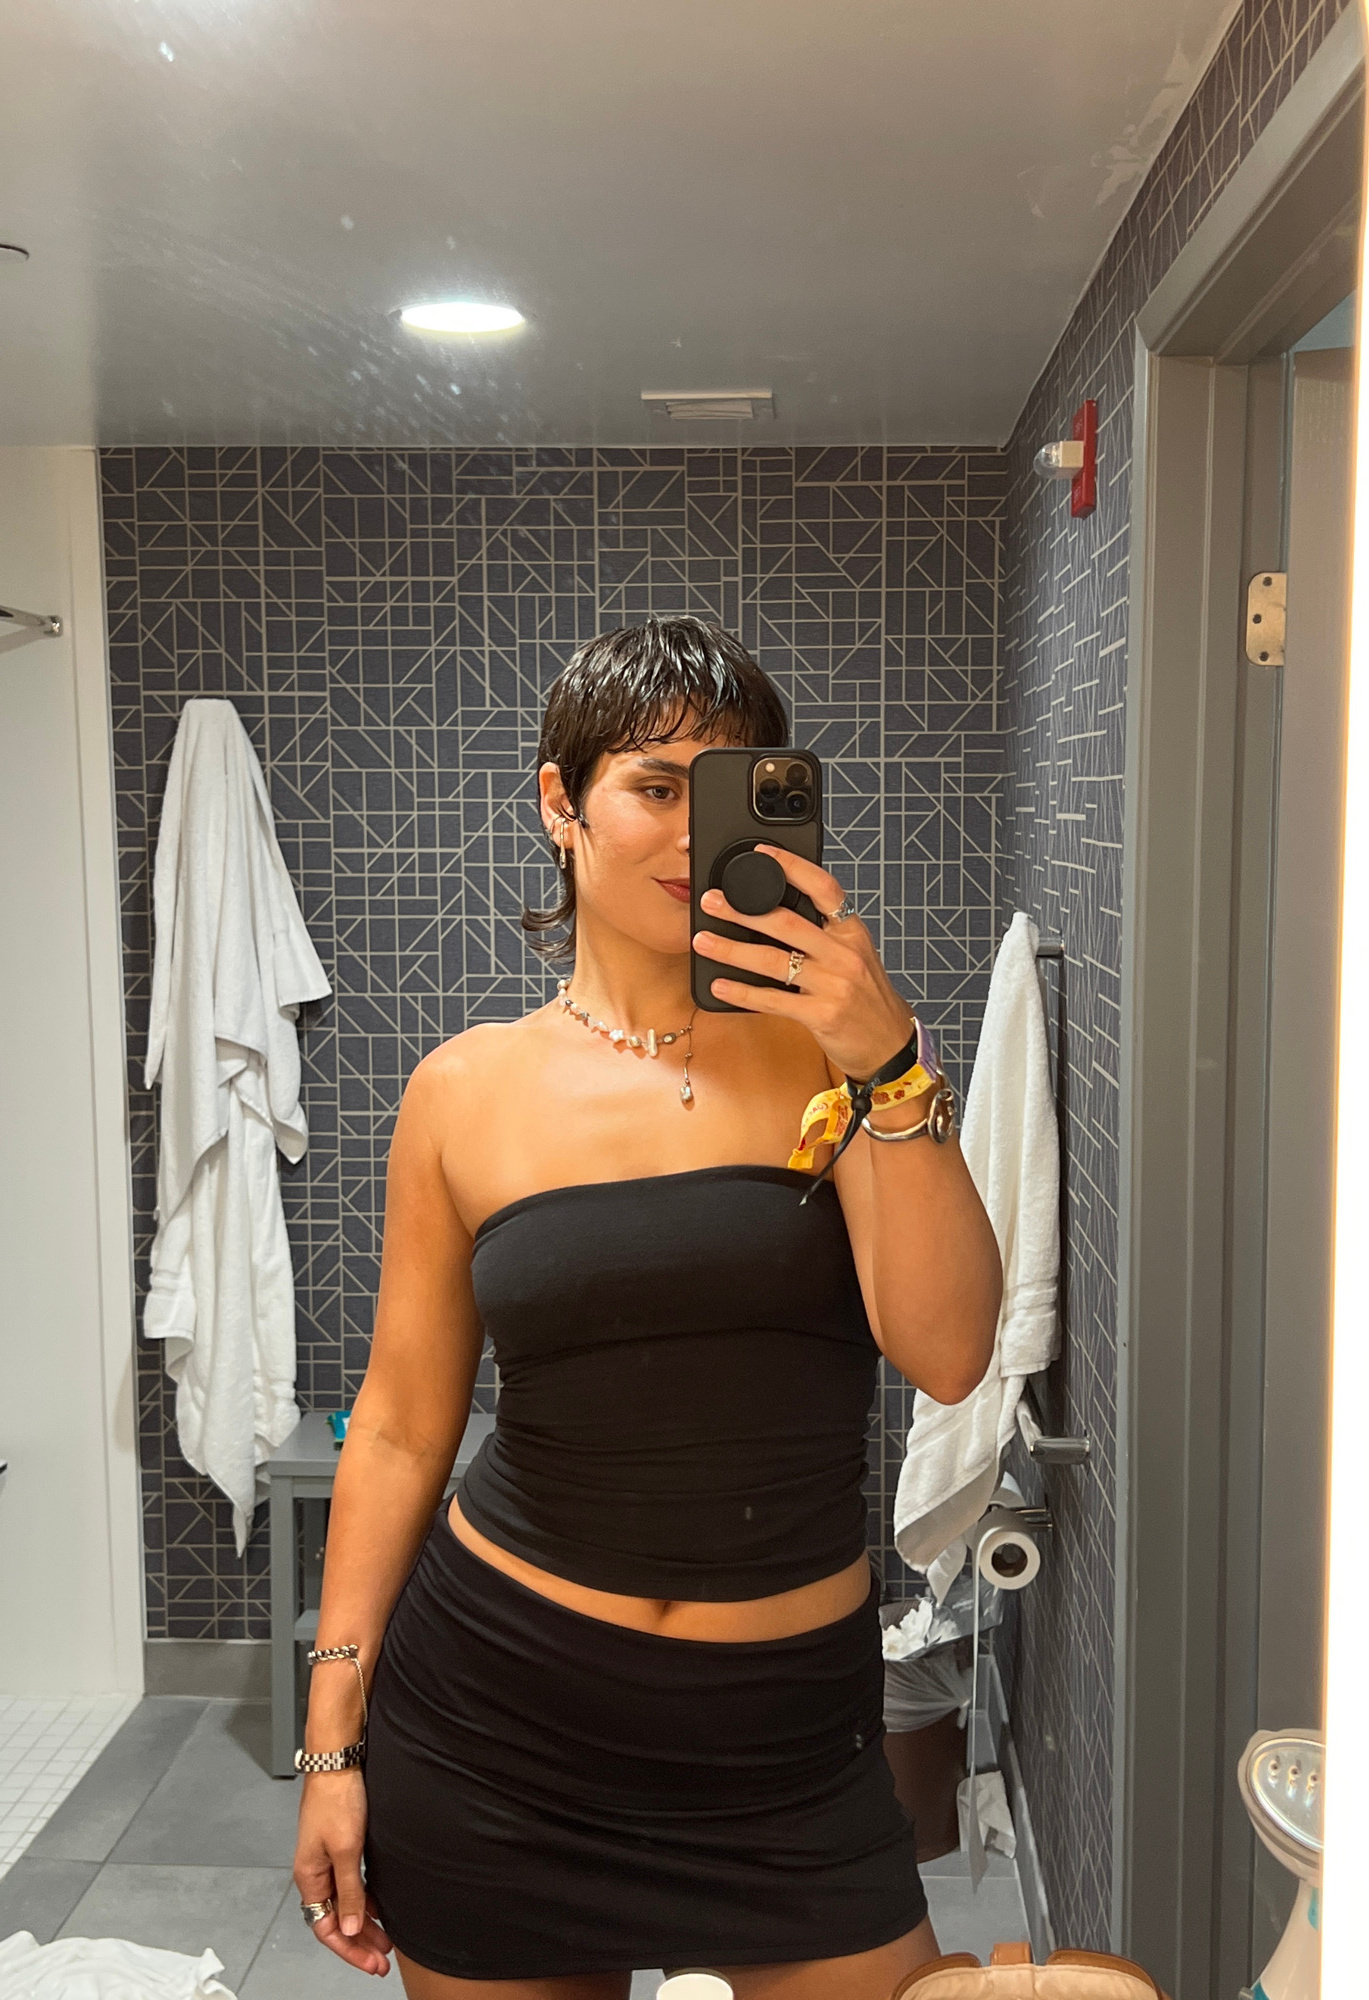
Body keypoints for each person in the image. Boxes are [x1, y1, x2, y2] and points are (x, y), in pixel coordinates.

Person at [291, 616, 1003, 2000]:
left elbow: (951, 1350)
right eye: (654, 786)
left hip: (788, 1751)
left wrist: (889, 1060)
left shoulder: (835, 1058)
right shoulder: (462, 1093)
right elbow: (400, 1426)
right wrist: (333, 1736)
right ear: (560, 804)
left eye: (728, 789)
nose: (690, 830)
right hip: (500, 1728)